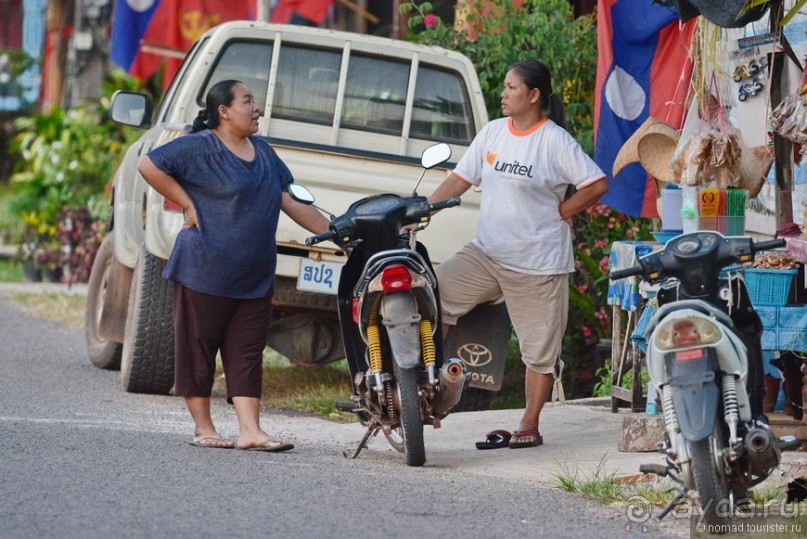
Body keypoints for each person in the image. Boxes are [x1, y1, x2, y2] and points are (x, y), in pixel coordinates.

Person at [137, 79, 331, 451]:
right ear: (224, 112)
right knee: (199, 350)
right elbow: (150, 165)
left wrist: (337, 234)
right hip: (203, 271)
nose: (256, 107)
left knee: (246, 353)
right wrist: (187, 203)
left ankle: (251, 431)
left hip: (254, 275)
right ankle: (204, 429)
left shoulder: (263, 152)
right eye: (248, 101)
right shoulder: (199, 147)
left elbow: (290, 200)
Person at [427, 60, 608, 449]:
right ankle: (426, 387)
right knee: (431, 296)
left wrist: (564, 210)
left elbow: (595, 184)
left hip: (538, 264)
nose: (504, 94)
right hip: (487, 253)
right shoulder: (493, 132)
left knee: (539, 352)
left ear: (534, 95)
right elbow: (461, 178)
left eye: (511, 88)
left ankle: (529, 423)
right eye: (505, 87)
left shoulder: (554, 140)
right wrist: (420, 211)